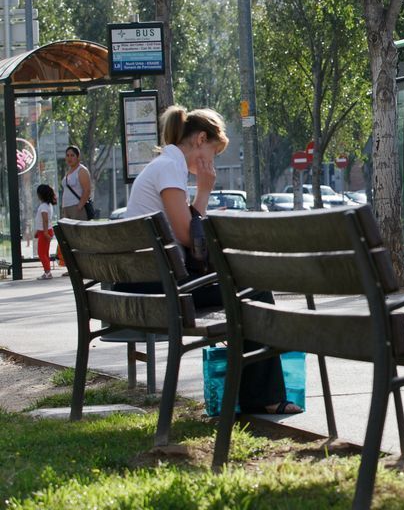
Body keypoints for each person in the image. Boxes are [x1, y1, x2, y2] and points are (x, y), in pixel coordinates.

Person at [125, 105, 302, 415]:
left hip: (149, 282)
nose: (211, 161)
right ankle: (262, 396)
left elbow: (183, 235)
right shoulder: (170, 167)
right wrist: (204, 192)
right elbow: (186, 236)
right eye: (213, 152)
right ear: (200, 139)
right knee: (254, 289)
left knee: (246, 288)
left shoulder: (164, 164)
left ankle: (258, 393)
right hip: (160, 288)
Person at [61, 145, 92, 220]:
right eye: (67, 155)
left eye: (72, 155)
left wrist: (79, 206)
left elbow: (87, 190)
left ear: (78, 157)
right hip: (66, 208)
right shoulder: (68, 171)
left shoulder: (81, 170)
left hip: (76, 207)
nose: (69, 158)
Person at [34, 185, 57, 280]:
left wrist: (45, 232)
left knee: (41, 253)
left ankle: (47, 272)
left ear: (41, 195)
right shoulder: (48, 205)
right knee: (45, 252)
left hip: (44, 232)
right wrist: (38, 232)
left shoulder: (43, 206)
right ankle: (47, 271)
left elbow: (45, 220)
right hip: (44, 231)